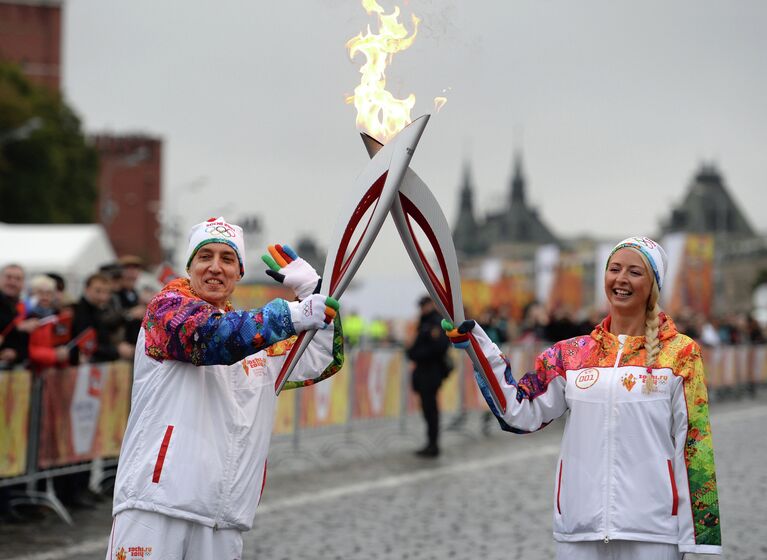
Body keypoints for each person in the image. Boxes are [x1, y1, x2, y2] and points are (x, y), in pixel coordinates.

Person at [444, 236, 721, 558]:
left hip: (654, 533)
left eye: (635, 272)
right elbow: (518, 413)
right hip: (580, 529)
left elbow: (695, 446)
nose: (621, 279)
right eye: (614, 269)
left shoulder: (681, 354)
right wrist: (480, 349)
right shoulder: (570, 354)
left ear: (654, 284)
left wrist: (702, 543)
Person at [106, 218, 343, 560]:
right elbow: (211, 338)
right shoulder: (166, 312)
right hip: (156, 505)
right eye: (205, 256)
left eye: (227, 259)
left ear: (239, 273)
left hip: (224, 516)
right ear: (189, 267)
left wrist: (315, 292)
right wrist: (292, 314)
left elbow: (322, 359)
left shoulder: (259, 341)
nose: (215, 267)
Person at [406, 295, 451, 458]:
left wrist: (416, 353)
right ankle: (430, 443)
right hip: (422, 371)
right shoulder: (423, 321)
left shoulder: (436, 321)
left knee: (431, 410)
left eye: (424, 305)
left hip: (431, 371)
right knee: (427, 409)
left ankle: (433, 444)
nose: (422, 308)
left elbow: (439, 347)